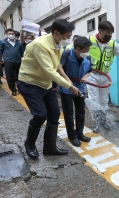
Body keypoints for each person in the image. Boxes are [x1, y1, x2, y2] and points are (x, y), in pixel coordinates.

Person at [17, 18, 79, 159]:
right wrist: (69, 87)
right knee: (40, 114)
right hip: (30, 83)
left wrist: (69, 82)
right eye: (67, 36)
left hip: (45, 84)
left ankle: (50, 147)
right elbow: (49, 71)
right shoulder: (40, 45)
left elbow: (57, 67)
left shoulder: (59, 45)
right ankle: (29, 144)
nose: (68, 40)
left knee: (54, 113)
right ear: (56, 33)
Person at [58, 36, 92, 147]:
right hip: (67, 88)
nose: (87, 52)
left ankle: (80, 134)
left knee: (81, 112)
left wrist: (86, 76)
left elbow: (90, 70)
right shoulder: (67, 54)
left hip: (80, 88)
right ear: (77, 48)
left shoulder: (88, 57)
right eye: (85, 50)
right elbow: (59, 67)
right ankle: (72, 136)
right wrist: (68, 82)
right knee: (68, 114)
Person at [0, 28, 23, 96]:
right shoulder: (3, 42)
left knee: (20, 76)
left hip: (18, 61)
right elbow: (0, 50)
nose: (11, 35)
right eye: (9, 34)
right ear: (6, 34)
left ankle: (20, 89)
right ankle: (13, 89)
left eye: (12, 34)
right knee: (10, 76)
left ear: (14, 34)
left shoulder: (19, 43)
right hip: (8, 61)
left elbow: (22, 53)